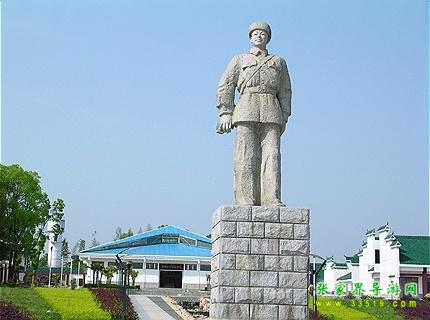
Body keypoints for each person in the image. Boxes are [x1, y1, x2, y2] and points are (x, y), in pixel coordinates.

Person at [216, 21, 292, 206]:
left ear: (268, 38)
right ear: (250, 38)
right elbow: (226, 85)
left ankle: (271, 198)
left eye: (262, 33)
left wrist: (284, 115)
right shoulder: (239, 59)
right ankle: (245, 200)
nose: (259, 36)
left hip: (271, 111)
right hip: (246, 108)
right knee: (245, 156)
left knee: (272, 156)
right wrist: (225, 112)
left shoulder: (278, 62)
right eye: (255, 33)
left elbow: (285, 90)